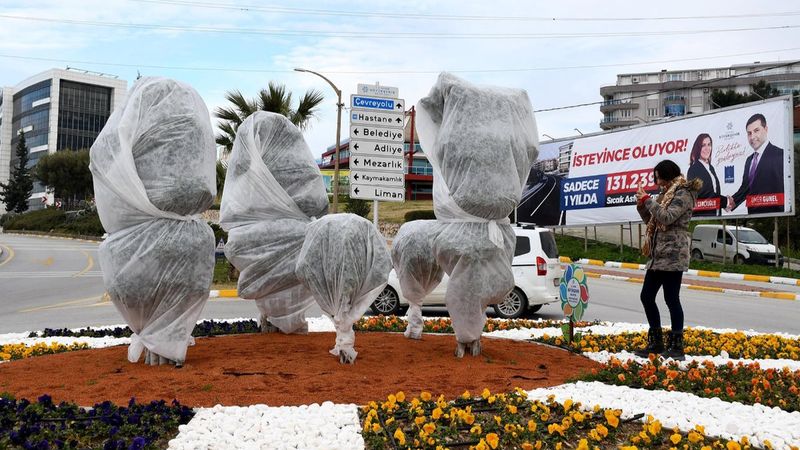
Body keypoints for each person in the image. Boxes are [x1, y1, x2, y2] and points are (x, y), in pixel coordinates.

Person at [634, 160, 701, 360]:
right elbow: (653, 221)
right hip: (658, 254)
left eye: (658, 177)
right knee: (647, 296)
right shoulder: (666, 194)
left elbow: (667, 217)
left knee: (671, 299)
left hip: (673, 253)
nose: (656, 182)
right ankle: (656, 342)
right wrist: (642, 206)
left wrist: (648, 200)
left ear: (666, 175)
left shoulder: (683, 193)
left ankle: (677, 346)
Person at [726, 113, 784, 214]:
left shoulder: (780, 154)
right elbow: (746, 188)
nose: (752, 137)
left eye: (756, 130)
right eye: (749, 133)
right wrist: (731, 202)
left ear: (766, 129)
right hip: (753, 216)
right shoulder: (749, 160)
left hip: (774, 216)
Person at [686, 133, 726, 216]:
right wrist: (726, 201)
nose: (707, 148)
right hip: (702, 216)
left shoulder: (710, 168)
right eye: (703, 145)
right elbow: (704, 193)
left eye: (709, 144)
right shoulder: (694, 169)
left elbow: (714, 191)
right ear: (698, 148)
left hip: (715, 215)